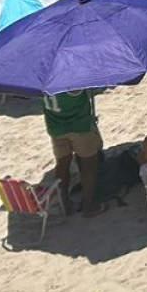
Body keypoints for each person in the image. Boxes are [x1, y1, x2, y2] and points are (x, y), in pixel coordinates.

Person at [43, 88, 104, 216]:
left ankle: (64, 202)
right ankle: (88, 206)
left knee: (62, 164)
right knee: (89, 164)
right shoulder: (72, 82)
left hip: (56, 128)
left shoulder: (46, 84)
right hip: (79, 126)